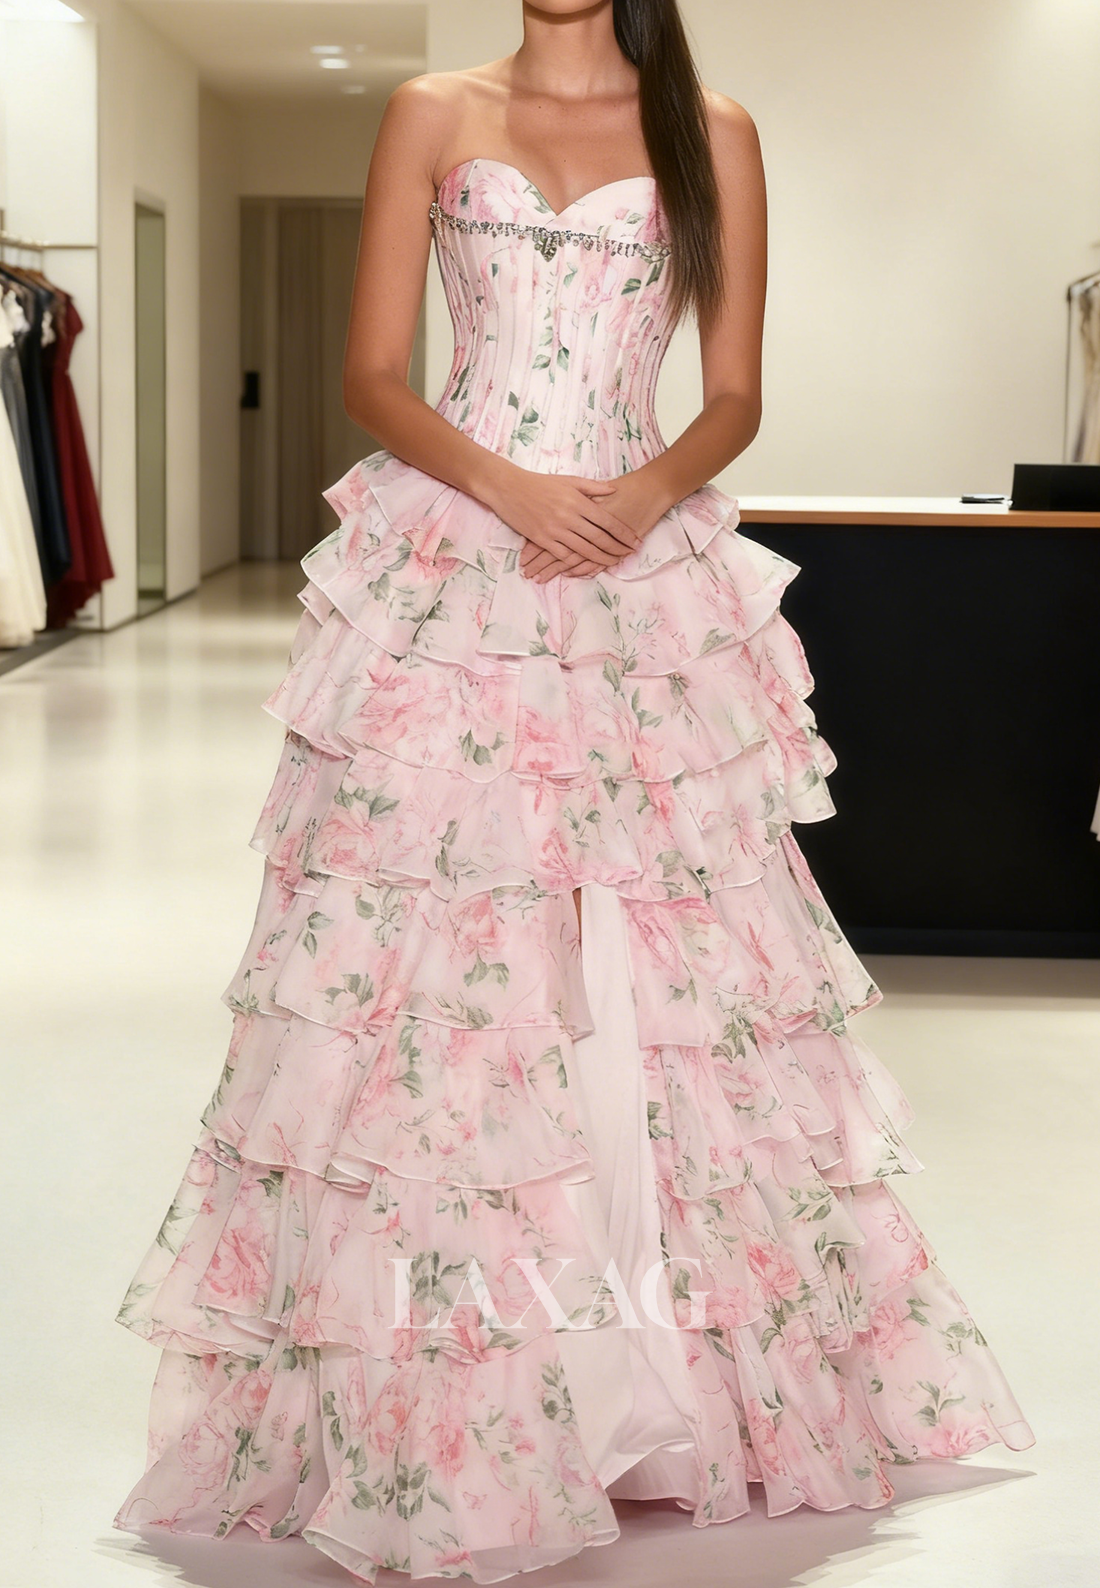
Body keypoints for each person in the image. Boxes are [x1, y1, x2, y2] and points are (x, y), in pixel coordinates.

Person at [112, 2, 1035, 1581]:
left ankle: (666, 1393)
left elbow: (733, 391)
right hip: (459, 550)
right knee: (438, 966)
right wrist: (516, 492)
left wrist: (630, 501)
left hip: (633, 553)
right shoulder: (432, 107)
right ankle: (461, 1394)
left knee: (666, 959)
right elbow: (373, 374)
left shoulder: (713, 130)